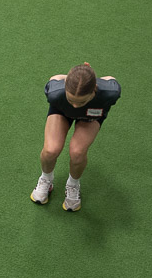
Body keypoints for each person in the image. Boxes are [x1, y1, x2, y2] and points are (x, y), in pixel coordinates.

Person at [30, 62, 121, 212]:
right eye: (71, 100)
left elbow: (110, 79)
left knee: (77, 153)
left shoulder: (110, 92)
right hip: (61, 111)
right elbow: (55, 78)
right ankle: (46, 179)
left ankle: (73, 184)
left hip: (91, 116)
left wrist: (89, 79)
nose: (75, 106)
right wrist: (72, 78)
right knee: (50, 150)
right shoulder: (55, 93)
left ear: (94, 91)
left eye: (82, 101)